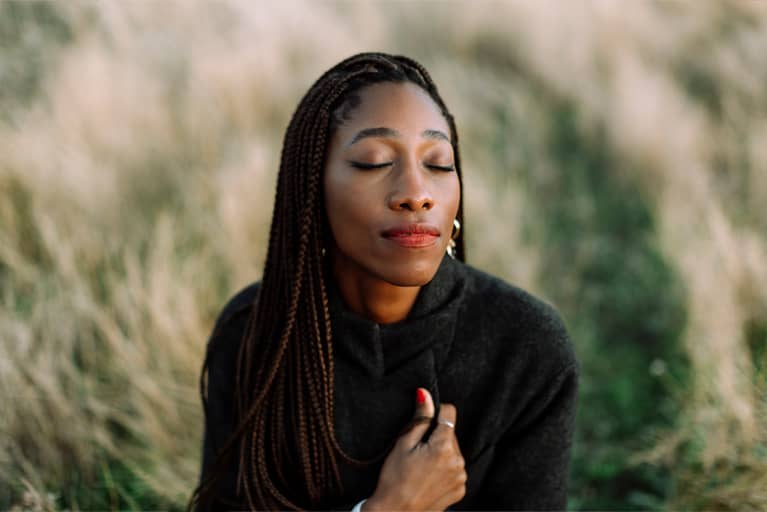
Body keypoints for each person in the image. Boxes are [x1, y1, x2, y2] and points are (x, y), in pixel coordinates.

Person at [190, 52, 579, 511]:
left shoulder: (525, 346)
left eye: (438, 163)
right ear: (313, 189)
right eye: (374, 162)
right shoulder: (255, 333)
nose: (417, 193)